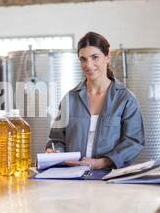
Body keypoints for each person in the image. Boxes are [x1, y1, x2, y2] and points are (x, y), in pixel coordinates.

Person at [46, 31, 145, 169]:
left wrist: (100, 163)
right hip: (72, 176)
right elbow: (56, 139)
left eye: (95, 57)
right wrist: (57, 152)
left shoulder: (126, 100)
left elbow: (134, 142)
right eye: (83, 59)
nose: (89, 65)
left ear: (107, 57)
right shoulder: (69, 99)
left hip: (109, 177)